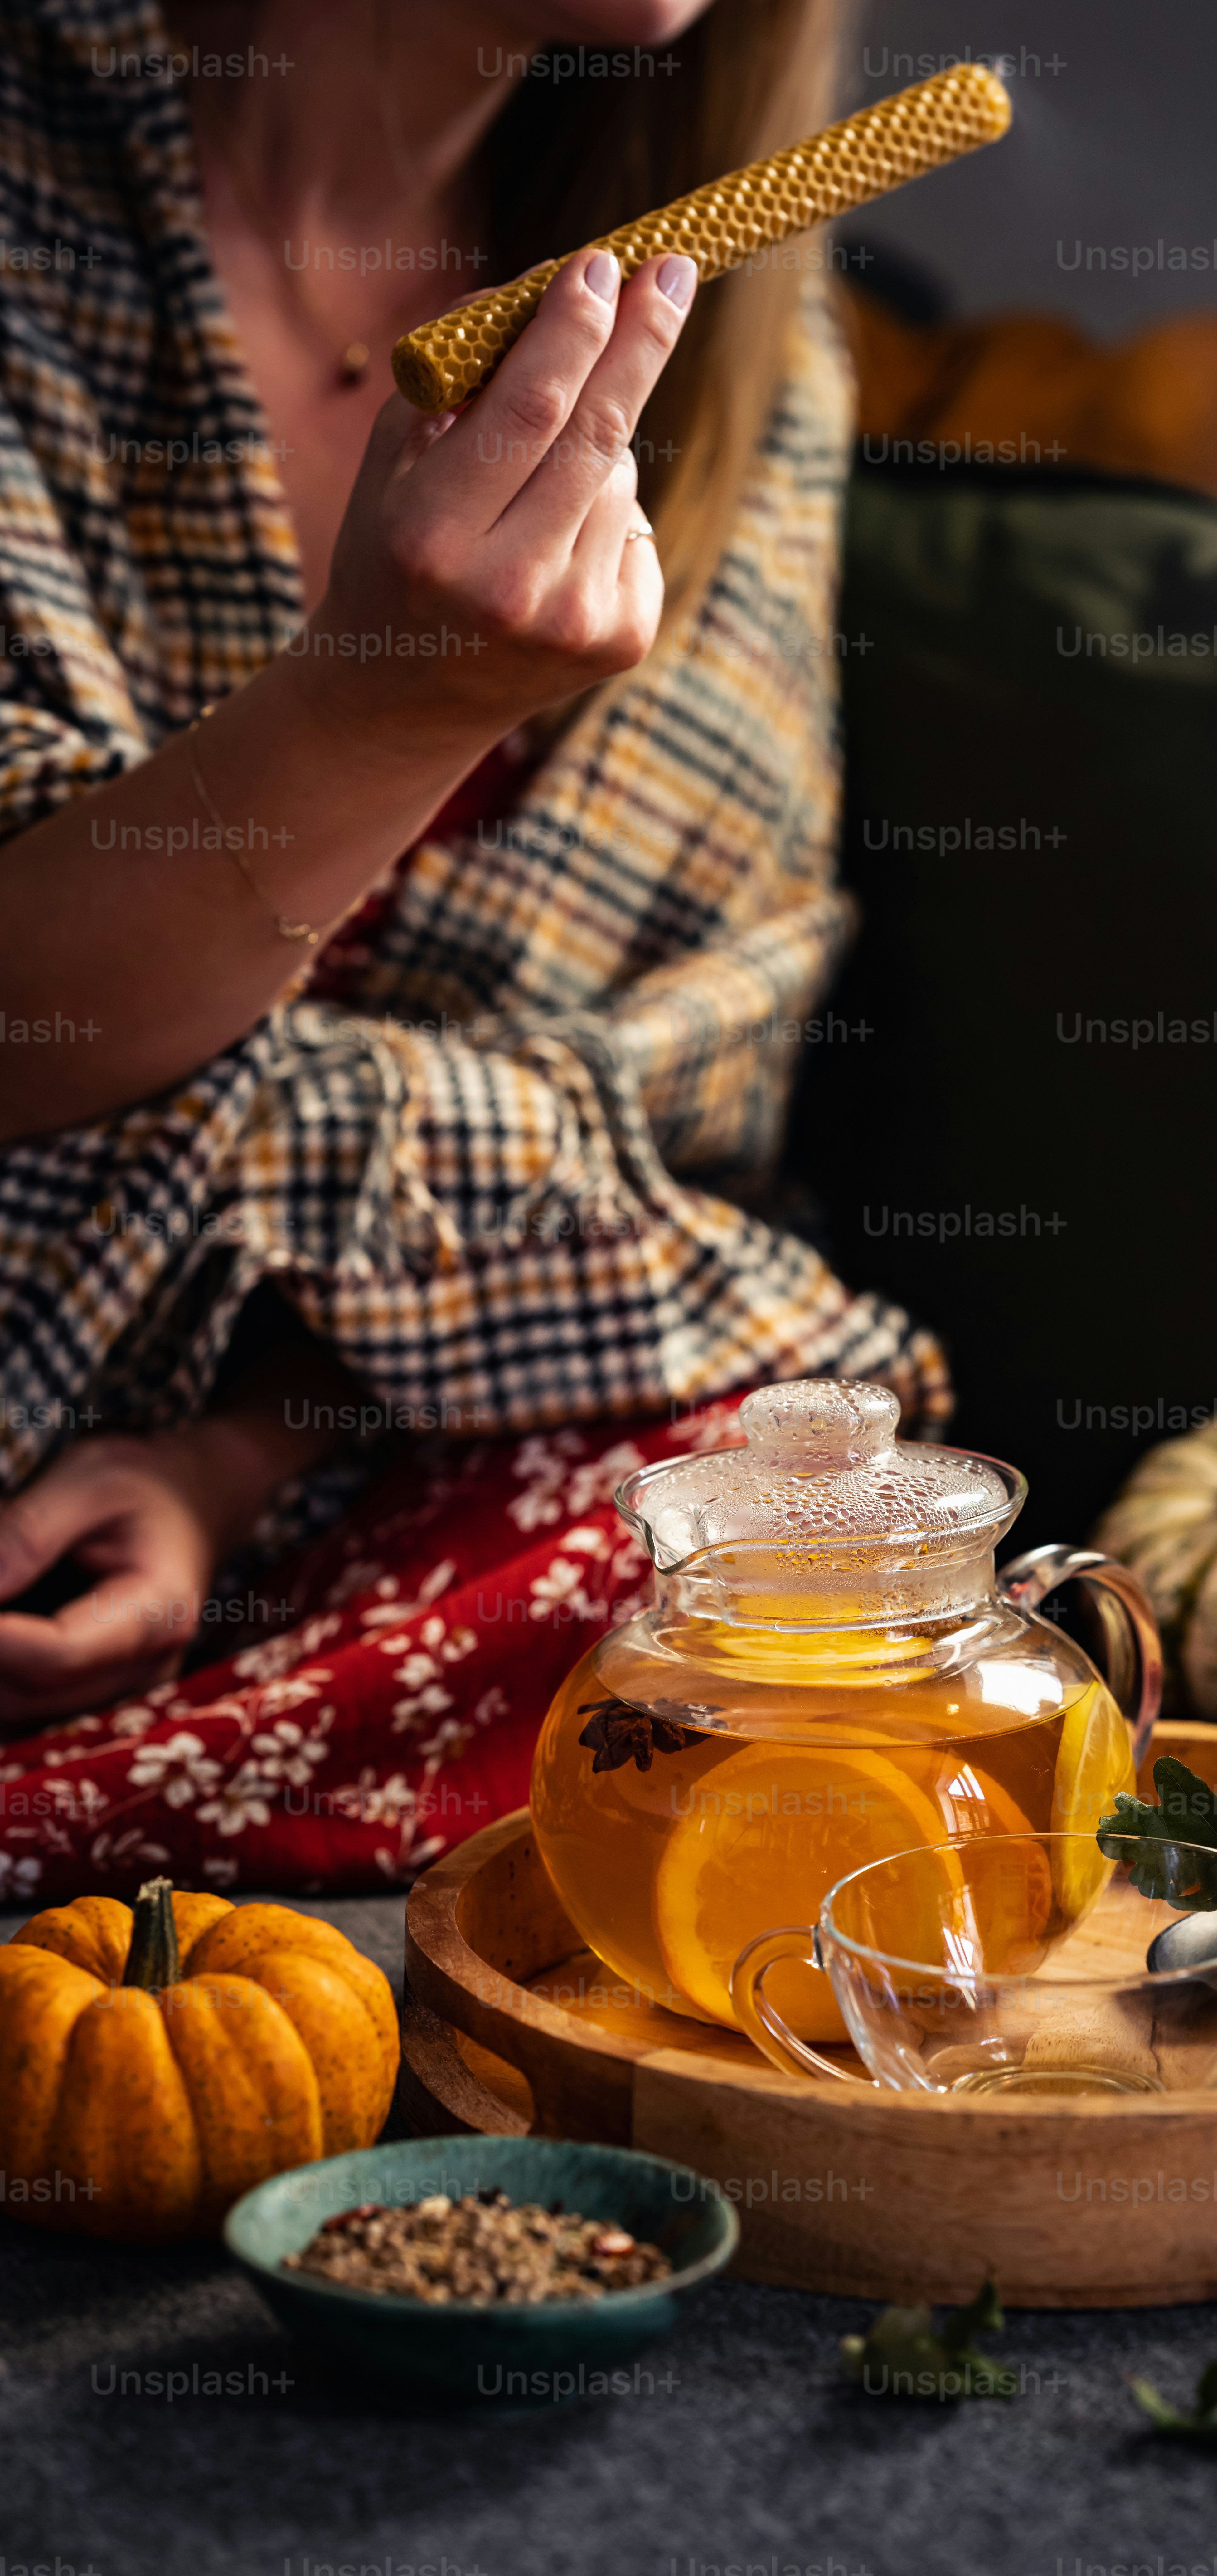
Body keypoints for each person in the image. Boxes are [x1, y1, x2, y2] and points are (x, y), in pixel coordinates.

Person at [0, 0, 945, 1901]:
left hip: (374, 1420)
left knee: (794, 1526)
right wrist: (375, 712)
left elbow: (658, 1112)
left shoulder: (760, 356)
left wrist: (227, 1466)